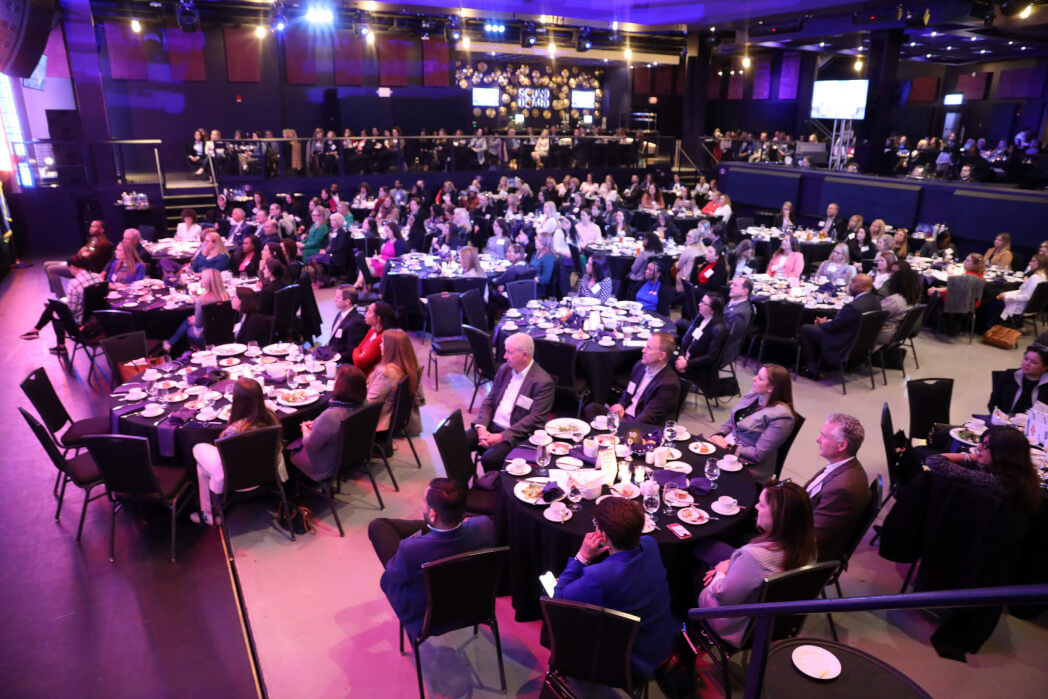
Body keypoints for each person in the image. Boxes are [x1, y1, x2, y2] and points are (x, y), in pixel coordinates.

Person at [553, 497, 676, 679]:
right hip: (663, 641)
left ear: (603, 535)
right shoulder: (650, 544)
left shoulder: (598, 576)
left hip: (632, 660)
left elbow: (558, 600)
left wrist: (582, 557)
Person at [368, 478, 496, 637]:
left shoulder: (410, 549)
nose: (423, 507)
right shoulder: (486, 526)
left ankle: (439, 529)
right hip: (476, 605)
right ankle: (443, 528)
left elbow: (395, 577)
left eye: (425, 503)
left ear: (433, 514)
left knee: (387, 574)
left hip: (428, 619)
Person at [698, 481, 817, 646]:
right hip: (775, 622)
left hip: (737, 626)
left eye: (761, 504)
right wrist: (733, 564)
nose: (755, 507)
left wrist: (720, 573)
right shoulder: (807, 545)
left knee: (695, 561)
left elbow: (725, 599)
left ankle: (688, 634)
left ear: (777, 516)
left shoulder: (753, 557)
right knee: (709, 548)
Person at [191, 377, 286, 525]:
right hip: (268, 474)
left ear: (237, 400)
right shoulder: (271, 417)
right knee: (202, 468)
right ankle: (208, 514)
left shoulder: (234, 430)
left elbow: (224, 458)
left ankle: (209, 515)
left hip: (235, 481)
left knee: (198, 449)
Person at [466, 333, 555, 472]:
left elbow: (535, 419)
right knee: (459, 442)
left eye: (509, 352)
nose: (504, 356)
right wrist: (481, 427)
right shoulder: (505, 369)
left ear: (524, 355)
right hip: (491, 425)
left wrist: (502, 436)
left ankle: (492, 483)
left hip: (515, 434)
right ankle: (461, 483)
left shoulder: (542, 382)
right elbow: (489, 400)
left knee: (490, 459)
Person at [707, 363, 796, 481]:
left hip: (749, 466)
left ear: (771, 388)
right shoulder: (754, 395)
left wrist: (728, 446)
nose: (754, 379)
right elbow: (733, 421)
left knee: (705, 470)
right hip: (730, 450)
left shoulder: (782, 417)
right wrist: (720, 435)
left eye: (760, 378)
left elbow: (757, 454)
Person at [924, 425, 1041, 515]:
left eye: (985, 445)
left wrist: (970, 456)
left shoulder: (988, 481)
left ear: (1001, 454)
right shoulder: (1026, 479)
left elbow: (934, 460)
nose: (978, 447)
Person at [803, 413, 871, 562]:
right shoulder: (841, 466)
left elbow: (812, 538)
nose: (818, 439)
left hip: (805, 556)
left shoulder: (843, 489)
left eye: (824, 436)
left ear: (842, 446)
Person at [290, 365, 367, 482]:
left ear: (340, 387)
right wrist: (317, 424)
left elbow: (310, 445)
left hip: (328, 467)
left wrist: (305, 430)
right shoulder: (365, 404)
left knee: (291, 449)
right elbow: (334, 428)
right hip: (354, 457)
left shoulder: (331, 416)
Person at [582, 333, 679, 425]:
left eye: (649, 348)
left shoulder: (668, 384)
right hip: (624, 415)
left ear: (661, 356)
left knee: (600, 424)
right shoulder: (640, 366)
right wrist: (621, 405)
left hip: (638, 425)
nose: (643, 350)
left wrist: (623, 426)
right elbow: (629, 391)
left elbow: (649, 417)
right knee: (591, 408)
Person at [798, 274, 880, 377]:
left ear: (863, 287)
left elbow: (833, 327)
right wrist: (828, 322)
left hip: (843, 343)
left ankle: (812, 370)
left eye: (853, 282)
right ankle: (822, 364)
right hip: (862, 344)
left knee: (806, 329)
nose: (850, 285)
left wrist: (822, 323)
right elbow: (845, 323)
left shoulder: (853, 307)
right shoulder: (875, 301)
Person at [22, 254, 102, 351]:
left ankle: (58, 344)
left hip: (81, 325)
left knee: (55, 310)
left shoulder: (75, 283)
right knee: (55, 306)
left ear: (72, 267)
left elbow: (72, 309)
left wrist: (61, 307)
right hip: (97, 320)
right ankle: (36, 330)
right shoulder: (98, 277)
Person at [366, 328, 423, 444]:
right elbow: (420, 399)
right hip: (400, 420)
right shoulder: (411, 367)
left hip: (380, 422)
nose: (380, 345)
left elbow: (370, 402)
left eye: (383, 343)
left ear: (390, 348)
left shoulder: (386, 373)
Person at [163, 268, 230, 352]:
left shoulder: (203, 299)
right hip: (224, 332)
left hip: (206, 335)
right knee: (191, 318)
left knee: (188, 319)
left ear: (206, 281)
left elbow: (198, 324)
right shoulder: (226, 295)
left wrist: (193, 321)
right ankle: (170, 343)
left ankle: (171, 344)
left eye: (202, 278)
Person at [43, 220, 111, 296]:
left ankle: (61, 297)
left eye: (94, 226)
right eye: (91, 226)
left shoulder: (103, 243)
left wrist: (82, 253)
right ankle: (55, 291)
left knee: (51, 269)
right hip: (80, 264)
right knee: (46, 264)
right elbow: (81, 253)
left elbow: (86, 258)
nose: (90, 228)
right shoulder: (93, 239)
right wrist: (83, 252)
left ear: (102, 230)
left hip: (86, 270)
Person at [676, 294, 727, 391]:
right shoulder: (701, 316)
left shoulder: (718, 329)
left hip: (697, 367)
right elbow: (686, 339)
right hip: (685, 358)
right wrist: (681, 356)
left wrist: (687, 364)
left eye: (704, 303)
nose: (699, 304)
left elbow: (710, 357)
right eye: (701, 301)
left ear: (712, 310)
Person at [988, 345, 1048, 414]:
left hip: (1034, 420)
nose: (1027, 364)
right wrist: (999, 416)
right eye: (1026, 359)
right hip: (1005, 418)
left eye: (1034, 362)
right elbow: (992, 403)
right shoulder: (1009, 375)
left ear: (1045, 367)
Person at [877, 264, 922, 346]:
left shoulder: (895, 300)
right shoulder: (913, 299)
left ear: (897, 282)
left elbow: (875, 315)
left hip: (883, 334)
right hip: (897, 333)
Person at [996, 253, 1048, 325]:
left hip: (1021, 307)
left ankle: (993, 326)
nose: (1029, 263)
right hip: (1034, 309)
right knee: (1002, 295)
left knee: (994, 301)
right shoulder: (1045, 278)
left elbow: (1026, 297)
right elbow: (1026, 292)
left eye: (1033, 261)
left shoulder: (1035, 277)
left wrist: (1006, 297)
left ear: (1040, 264)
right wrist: (1006, 294)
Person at [325, 285, 369, 359]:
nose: (334, 300)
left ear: (347, 301)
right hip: (330, 351)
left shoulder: (355, 323)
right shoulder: (340, 314)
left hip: (340, 359)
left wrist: (332, 357)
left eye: (338, 297)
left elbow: (352, 351)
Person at [353, 302, 395, 376]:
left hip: (370, 377)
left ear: (378, 318)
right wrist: (358, 352)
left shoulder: (381, 338)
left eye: (369, 311)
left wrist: (358, 353)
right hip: (363, 372)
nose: (365, 314)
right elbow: (358, 348)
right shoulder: (372, 331)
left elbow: (359, 362)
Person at [675, 229, 708, 296]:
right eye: (687, 235)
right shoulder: (704, 248)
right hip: (697, 277)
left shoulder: (688, 249)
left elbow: (679, 266)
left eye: (690, 236)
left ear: (696, 239)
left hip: (686, 277)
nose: (687, 237)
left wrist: (675, 264)